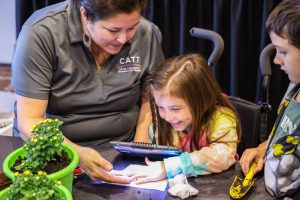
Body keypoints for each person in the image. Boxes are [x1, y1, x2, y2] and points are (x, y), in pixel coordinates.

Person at [11, 0, 164, 183]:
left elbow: (151, 100)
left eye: (132, 28)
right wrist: (76, 154)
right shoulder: (41, 33)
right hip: (56, 153)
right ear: (84, 15)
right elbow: (30, 121)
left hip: (122, 150)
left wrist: (138, 149)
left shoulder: (147, 33)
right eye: (113, 31)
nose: (123, 39)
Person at [118, 53, 241, 185]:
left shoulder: (222, 119)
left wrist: (168, 168)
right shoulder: (161, 123)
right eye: (160, 107)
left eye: (175, 109)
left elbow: (223, 156)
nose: (168, 117)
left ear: (201, 100)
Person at [240, 0, 300, 198]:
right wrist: (262, 149)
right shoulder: (294, 88)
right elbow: (286, 138)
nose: (276, 60)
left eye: (283, 51)